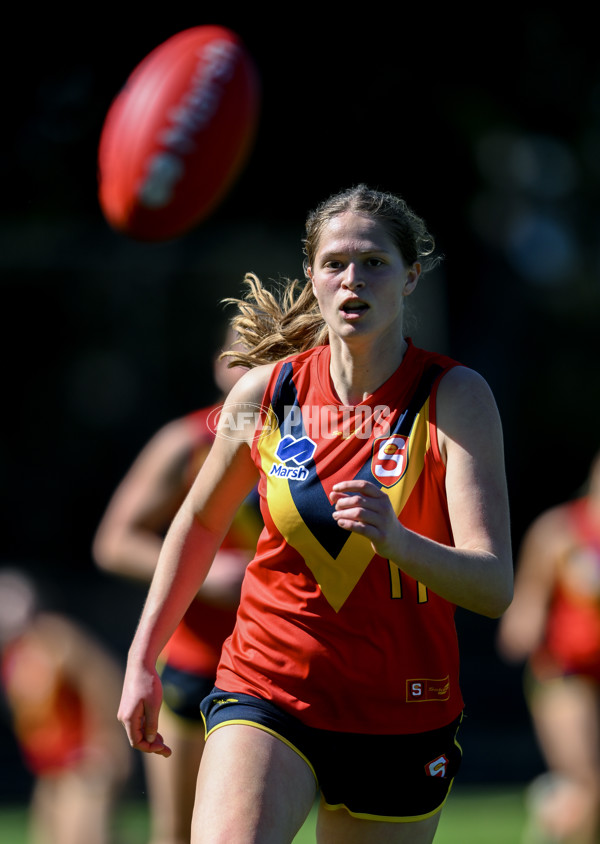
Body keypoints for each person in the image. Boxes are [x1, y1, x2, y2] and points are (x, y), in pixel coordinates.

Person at [118, 184, 514, 844]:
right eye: (334, 262)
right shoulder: (265, 391)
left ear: (410, 276)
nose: (351, 278)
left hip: (400, 709)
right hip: (267, 687)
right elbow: (198, 523)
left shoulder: (455, 396)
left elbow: (494, 585)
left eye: (374, 262)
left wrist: (398, 541)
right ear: (311, 275)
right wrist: (142, 660)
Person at [93, 327, 262, 844]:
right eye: (240, 356)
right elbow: (114, 541)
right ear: (218, 364)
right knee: (178, 834)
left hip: (276, 668)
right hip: (194, 666)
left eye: (268, 356)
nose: (251, 369)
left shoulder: (318, 440)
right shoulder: (186, 443)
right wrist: (207, 574)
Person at [497, 450, 600, 844]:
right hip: (564, 675)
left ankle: (555, 810)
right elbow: (520, 619)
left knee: (585, 796)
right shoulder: (559, 532)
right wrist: (527, 625)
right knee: (588, 784)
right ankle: (566, 802)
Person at [0, 567, 131, 844]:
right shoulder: (13, 654)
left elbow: (103, 680)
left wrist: (107, 739)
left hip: (84, 758)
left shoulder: (55, 636)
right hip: (51, 766)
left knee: (85, 836)